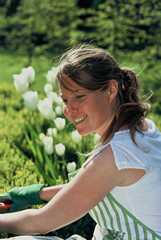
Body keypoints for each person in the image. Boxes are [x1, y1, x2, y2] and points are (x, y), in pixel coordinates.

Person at [0, 44, 161, 240]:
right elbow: (93, 186)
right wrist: (34, 195)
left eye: (79, 96)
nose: (69, 110)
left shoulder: (117, 154)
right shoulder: (142, 128)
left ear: (111, 89)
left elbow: (42, 223)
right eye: (65, 100)